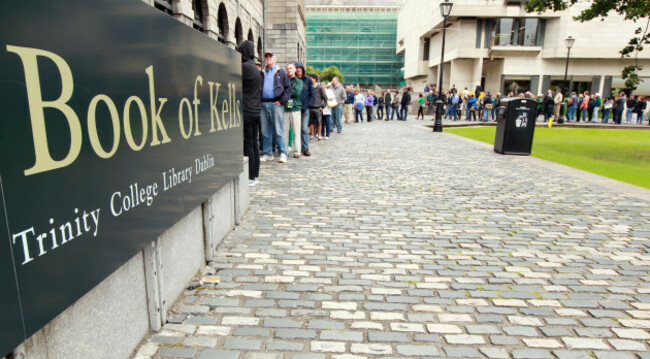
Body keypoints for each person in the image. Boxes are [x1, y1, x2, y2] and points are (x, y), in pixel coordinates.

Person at [237, 40, 262, 186]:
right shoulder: (254, 67)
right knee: (254, 143)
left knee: (248, 144)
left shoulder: (244, 67)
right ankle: (255, 175)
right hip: (255, 111)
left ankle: (251, 176)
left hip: (246, 111)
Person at [260, 52, 291, 163]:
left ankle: (283, 153)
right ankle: (268, 153)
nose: (268, 59)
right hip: (264, 104)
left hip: (276, 104)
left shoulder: (281, 72)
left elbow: (288, 88)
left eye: (270, 57)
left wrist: (282, 101)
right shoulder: (262, 72)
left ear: (275, 59)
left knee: (278, 130)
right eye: (266, 57)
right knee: (265, 131)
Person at [294, 62, 315, 156]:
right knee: (294, 129)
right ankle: (296, 148)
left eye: (300, 68)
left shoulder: (308, 80)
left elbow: (312, 93)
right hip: (294, 108)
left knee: (304, 128)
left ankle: (305, 148)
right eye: (297, 68)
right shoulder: (292, 79)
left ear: (302, 69)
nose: (298, 70)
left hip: (304, 108)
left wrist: (309, 104)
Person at [284, 63, 303, 158]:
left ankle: (297, 150)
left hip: (295, 108)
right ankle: (285, 150)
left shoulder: (299, 82)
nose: (289, 70)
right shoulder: (284, 80)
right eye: (287, 68)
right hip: (285, 108)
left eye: (291, 68)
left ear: (295, 70)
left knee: (296, 131)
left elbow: (297, 92)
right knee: (285, 131)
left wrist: (286, 91)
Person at [308, 73, 326, 140]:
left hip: (318, 108)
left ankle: (319, 135)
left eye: (311, 78)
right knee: (311, 122)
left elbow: (325, 98)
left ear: (314, 79)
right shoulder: (309, 87)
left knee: (319, 122)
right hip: (310, 108)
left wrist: (322, 106)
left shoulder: (320, 87)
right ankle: (312, 135)